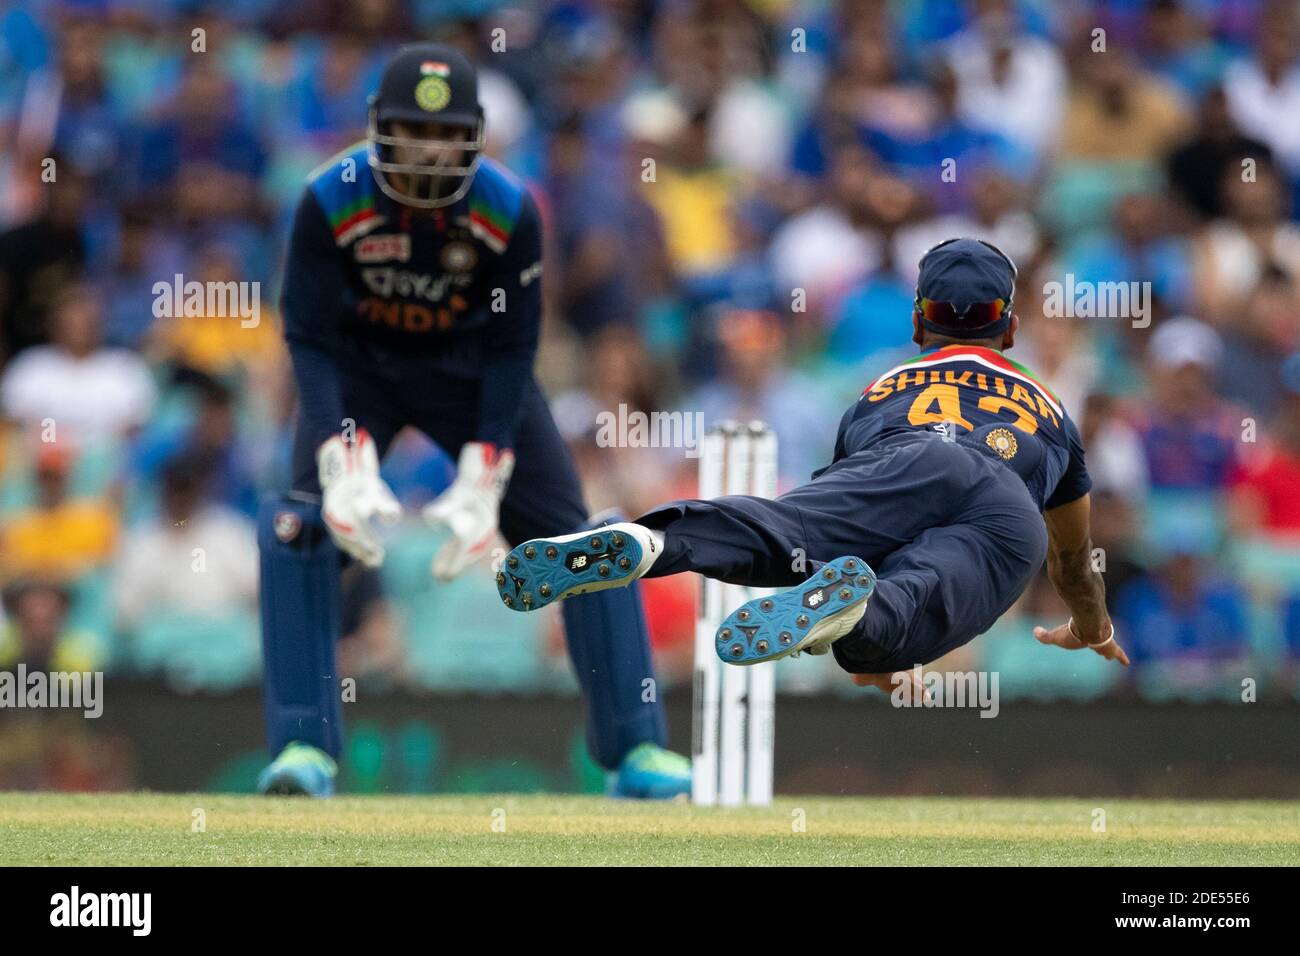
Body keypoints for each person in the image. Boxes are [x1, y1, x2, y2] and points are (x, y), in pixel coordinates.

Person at [258, 43, 687, 799]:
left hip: (471, 376)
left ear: (475, 136)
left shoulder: (507, 206)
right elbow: (309, 337)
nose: (428, 151)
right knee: (300, 530)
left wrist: (486, 464)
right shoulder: (328, 197)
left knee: (584, 542)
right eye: (411, 132)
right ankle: (303, 750)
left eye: (446, 134)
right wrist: (336, 451)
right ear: (377, 129)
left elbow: (514, 343)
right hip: (363, 374)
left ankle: (635, 754)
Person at [498, 238, 1130, 690]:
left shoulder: (879, 392)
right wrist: (1091, 623)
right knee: (908, 604)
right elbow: (1072, 559)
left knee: (782, 534)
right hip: (1004, 503)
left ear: (917, 323)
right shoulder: (1052, 411)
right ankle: (857, 616)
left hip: (901, 453)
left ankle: (651, 540)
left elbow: (853, 534)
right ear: (1012, 330)